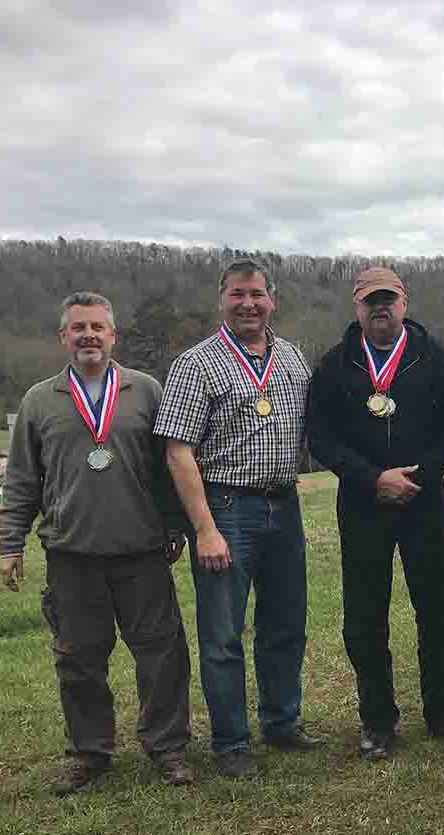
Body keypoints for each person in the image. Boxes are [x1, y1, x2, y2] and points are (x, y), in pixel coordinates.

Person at [0, 291, 192, 795]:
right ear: (63, 337)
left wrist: (176, 524)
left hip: (141, 550)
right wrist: (9, 542)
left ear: (113, 336)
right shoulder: (40, 400)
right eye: (78, 327)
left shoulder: (146, 390)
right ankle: (89, 753)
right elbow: (22, 479)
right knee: (79, 659)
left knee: (161, 655)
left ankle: (167, 746)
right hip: (71, 553)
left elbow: (167, 466)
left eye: (97, 327)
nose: (88, 336)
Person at [154, 259, 319, 777]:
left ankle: (282, 722)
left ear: (274, 299)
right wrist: (204, 527)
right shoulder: (196, 363)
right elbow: (178, 451)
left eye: (257, 294)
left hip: (284, 504)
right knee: (224, 634)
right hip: (226, 506)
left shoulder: (293, 359)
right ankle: (230, 743)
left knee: (286, 623)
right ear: (220, 299)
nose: (248, 303)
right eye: (237, 294)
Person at [305, 267, 444, 760]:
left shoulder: (435, 358)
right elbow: (322, 439)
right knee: (364, 618)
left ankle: (443, 714)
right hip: (362, 506)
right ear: (356, 307)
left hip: (424, 503)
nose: (380, 307)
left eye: (388, 299)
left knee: (438, 614)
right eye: (370, 300)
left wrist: (420, 474)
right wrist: (372, 478)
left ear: (404, 302)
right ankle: (377, 721)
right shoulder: (335, 366)